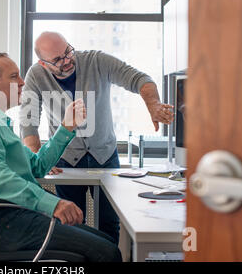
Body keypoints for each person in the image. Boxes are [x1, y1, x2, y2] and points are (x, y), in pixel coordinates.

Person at [0, 52, 122, 262]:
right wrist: (52, 204)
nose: (21, 82)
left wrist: (66, 127)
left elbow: (37, 166)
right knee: (107, 253)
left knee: (107, 242)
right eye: (14, 77)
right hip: (5, 222)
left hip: (17, 217)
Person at [20, 32, 174, 244]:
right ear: (44, 64)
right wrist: (39, 157)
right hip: (65, 160)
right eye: (57, 60)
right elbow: (28, 122)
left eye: (68, 52)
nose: (67, 61)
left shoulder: (96, 60)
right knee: (72, 222)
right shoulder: (36, 75)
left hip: (105, 155)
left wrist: (154, 105)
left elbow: (140, 79)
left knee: (109, 221)